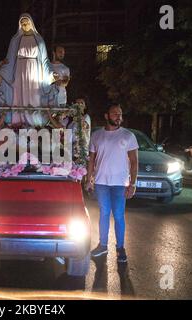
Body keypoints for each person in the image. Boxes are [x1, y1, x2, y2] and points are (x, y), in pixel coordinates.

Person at [86, 103, 139, 263]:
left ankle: (120, 248)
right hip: (101, 182)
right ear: (106, 115)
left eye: (120, 114)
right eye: (115, 114)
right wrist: (89, 180)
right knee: (104, 214)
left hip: (120, 183)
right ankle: (102, 246)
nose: (118, 117)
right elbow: (91, 160)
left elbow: (135, 161)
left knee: (118, 215)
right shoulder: (96, 136)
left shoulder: (128, 136)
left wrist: (133, 183)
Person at [0, 13, 58, 127]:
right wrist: (2, 73)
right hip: (19, 70)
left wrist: (51, 74)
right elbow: (9, 59)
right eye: (22, 23)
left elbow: (44, 60)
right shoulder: (15, 40)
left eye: (27, 23)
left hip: (35, 71)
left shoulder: (39, 40)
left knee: (34, 95)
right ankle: (19, 120)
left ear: (31, 23)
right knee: (19, 95)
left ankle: (34, 121)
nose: (25, 25)